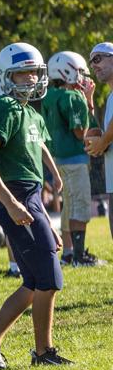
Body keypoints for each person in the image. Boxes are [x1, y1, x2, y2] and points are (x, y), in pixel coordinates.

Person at [0, 42, 72, 370]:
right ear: (5, 76)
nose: (30, 79)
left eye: (34, 72)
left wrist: (51, 183)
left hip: (31, 199)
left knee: (33, 283)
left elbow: (37, 147)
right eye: (22, 73)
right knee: (49, 278)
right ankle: (43, 352)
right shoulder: (3, 107)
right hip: (17, 198)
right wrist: (11, 203)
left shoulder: (30, 113)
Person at [43, 51, 101, 266]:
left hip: (58, 159)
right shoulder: (73, 97)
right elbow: (81, 133)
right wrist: (87, 101)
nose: (82, 77)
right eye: (79, 72)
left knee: (69, 206)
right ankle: (79, 255)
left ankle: (68, 253)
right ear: (67, 71)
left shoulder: (49, 96)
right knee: (80, 205)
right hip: (75, 159)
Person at [85, 42, 113, 242]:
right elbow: (99, 133)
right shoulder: (110, 98)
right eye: (91, 62)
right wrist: (89, 102)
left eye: (98, 58)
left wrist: (103, 141)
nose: (93, 65)